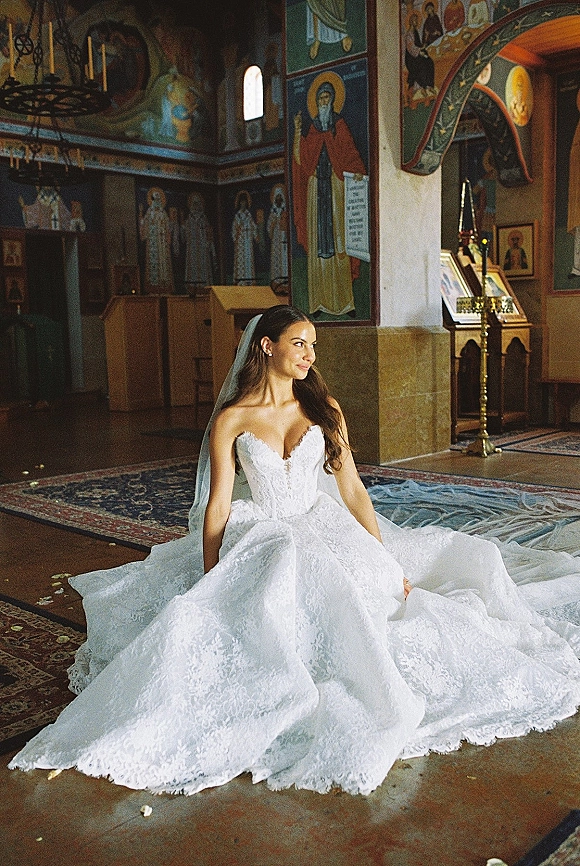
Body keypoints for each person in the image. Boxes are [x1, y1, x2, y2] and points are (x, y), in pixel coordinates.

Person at [9, 305, 580, 796]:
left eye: (313, 345)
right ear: (267, 346)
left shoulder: (323, 408)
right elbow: (219, 504)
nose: (309, 354)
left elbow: (353, 489)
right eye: (299, 343)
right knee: (279, 563)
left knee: (359, 589)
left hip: (319, 519)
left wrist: (382, 557)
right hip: (262, 527)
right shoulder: (233, 419)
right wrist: (210, 573)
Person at [292, 77, 366, 317]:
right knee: (318, 247)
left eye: (327, 98)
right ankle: (318, 304)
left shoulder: (339, 125)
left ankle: (346, 303)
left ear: (333, 100)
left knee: (339, 243)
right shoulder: (312, 128)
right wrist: (296, 131)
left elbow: (350, 154)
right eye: (320, 98)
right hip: (316, 192)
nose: (324, 101)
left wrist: (356, 173)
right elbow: (301, 160)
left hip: (335, 190)